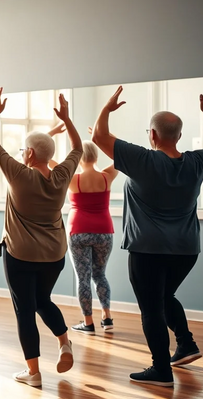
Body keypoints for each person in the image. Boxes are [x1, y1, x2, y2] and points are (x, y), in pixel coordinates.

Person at [91, 85, 203, 386]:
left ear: (152, 135)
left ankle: (161, 370)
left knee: (151, 308)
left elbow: (99, 137)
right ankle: (186, 344)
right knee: (165, 297)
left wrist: (107, 109)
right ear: (178, 136)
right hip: (186, 250)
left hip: (148, 251)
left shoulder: (144, 160)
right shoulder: (195, 162)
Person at [0, 88, 80, 387]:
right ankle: (64, 342)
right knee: (43, 300)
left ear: (28, 154)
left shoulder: (19, 175)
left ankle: (34, 373)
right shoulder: (62, 175)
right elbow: (78, 148)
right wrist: (67, 119)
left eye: (23, 151)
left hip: (20, 255)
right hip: (54, 255)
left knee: (24, 310)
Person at [49, 127, 119, 334]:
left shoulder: (73, 179)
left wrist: (51, 134)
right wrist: (106, 135)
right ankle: (107, 318)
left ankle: (88, 322)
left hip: (78, 231)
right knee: (100, 275)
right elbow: (122, 155)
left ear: (78, 158)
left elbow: (47, 159)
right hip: (104, 231)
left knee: (84, 278)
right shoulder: (107, 176)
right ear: (96, 156)